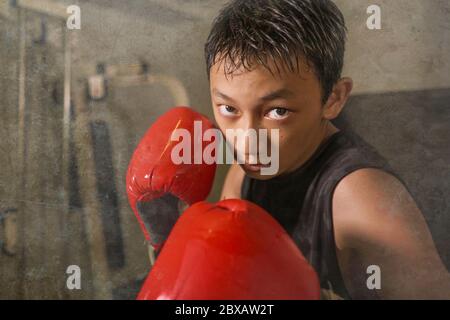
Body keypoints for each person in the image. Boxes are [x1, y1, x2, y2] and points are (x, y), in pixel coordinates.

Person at [204, 0, 450, 299]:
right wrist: (164, 234)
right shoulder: (245, 174)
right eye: (229, 108)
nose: (246, 141)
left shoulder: (362, 197)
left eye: (278, 111)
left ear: (333, 98)